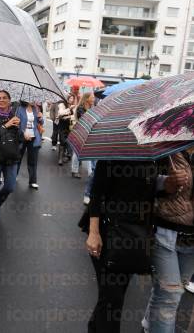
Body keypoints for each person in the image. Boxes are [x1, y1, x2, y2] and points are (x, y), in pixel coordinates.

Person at [82, 159, 187, 332]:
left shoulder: (153, 155)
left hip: (134, 236)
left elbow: (150, 190)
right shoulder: (113, 151)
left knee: (113, 295)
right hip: (107, 232)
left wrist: (169, 184)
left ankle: (94, 327)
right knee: (112, 298)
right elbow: (97, 193)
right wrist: (94, 233)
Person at [142, 148, 194, 333]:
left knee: (169, 292)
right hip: (165, 233)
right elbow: (141, 183)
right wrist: (165, 184)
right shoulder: (165, 147)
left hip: (191, 241)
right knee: (170, 296)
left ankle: (149, 325)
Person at [0, 90, 23, 227]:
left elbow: (20, 139)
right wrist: (6, 126)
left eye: (4, 98)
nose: (1, 100)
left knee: (10, 186)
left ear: (9, 100)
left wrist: (18, 128)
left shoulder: (15, 117)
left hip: (11, 157)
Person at [17, 101, 44, 189]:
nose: (34, 101)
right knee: (18, 157)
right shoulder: (20, 109)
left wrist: (40, 118)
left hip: (33, 136)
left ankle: (33, 181)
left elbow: (41, 123)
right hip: (23, 136)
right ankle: (14, 176)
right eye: (32, 99)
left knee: (33, 159)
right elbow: (17, 123)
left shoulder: (36, 109)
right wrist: (23, 133)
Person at [71, 92, 95, 179]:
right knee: (77, 152)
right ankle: (74, 170)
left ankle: (90, 172)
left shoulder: (91, 108)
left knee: (89, 152)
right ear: (87, 98)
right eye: (92, 97)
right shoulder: (80, 109)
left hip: (88, 132)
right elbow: (84, 120)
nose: (93, 99)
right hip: (80, 132)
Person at [56, 94, 76, 166]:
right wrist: (69, 109)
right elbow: (60, 113)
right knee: (62, 141)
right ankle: (60, 158)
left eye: (72, 98)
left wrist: (69, 117)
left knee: (68, 141)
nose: (71, 100)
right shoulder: (62, 104)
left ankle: (67, 155)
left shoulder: (73, 106)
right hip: (62, 126)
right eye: (70, 98)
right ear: (67, 98)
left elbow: (74, 116)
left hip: (69, 126)